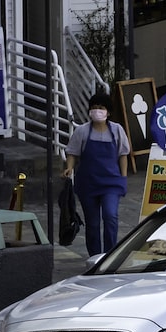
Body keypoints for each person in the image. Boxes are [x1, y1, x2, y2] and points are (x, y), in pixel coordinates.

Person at [64, 93, 133, 259]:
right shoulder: (82, 131)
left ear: (108, 112)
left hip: (111, 183)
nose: (97, 111)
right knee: (93, 223)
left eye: (101, 108)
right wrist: (69, 168)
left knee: (110, 216)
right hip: (88, 184)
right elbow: (72, 152)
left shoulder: (117, 130)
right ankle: (95, 257)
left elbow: (123, 155)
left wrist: (123, 178)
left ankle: (110, 255)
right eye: (94, 108)